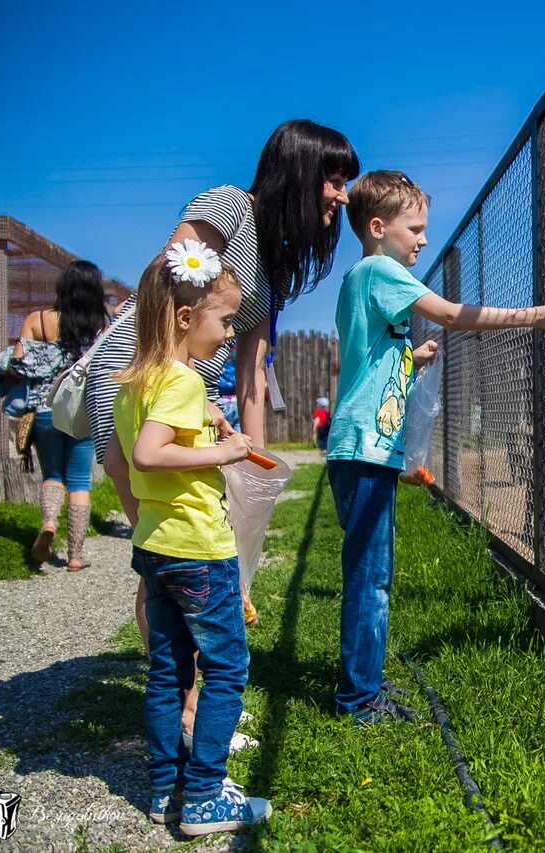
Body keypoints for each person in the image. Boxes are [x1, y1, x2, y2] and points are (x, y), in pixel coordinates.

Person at [97, 119, 359, 747]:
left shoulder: (271, 264)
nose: (342, 196)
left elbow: (250, 379)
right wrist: (186, 402)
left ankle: (186, 706)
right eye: (333, 178)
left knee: (189, 558)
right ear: (296, 172)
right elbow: (165, 298)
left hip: (195, 407)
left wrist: (252, 468)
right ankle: (189, 711)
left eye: (347, 182)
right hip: (142, 384)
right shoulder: (226, 209)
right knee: (176, 555)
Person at [328, 170, 545, 724]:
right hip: (365, 453)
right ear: (378, 228)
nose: (423, 240)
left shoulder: (360, 277)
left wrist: (409, 359)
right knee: (370, 578)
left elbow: (365, 358)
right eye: (415, 229)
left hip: (358, 450)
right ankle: (358, 699)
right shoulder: (383, 270)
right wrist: (532, 316)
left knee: (370, 571)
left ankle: (364, 683)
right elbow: (451, 314)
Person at [113, 241, 269, 835]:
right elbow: (152, 454)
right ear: (185, 318)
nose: (231, 334)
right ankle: (204, 794)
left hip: (155, 546)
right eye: (226, 320)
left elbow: (131, 450)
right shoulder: (179, 379)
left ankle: (165, 788)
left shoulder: (138, 379)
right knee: (226, 668)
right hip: (198, 550)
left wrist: (210, 420)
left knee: (167, 670)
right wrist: (224, 448)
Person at [12, 260, 110, 570]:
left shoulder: (37, 320)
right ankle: (76, 556)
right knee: (80, 480)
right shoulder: (99, 326)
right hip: (81, 413)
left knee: (52, 475)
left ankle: (49, 523)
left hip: (44, 410)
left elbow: (19, 365)